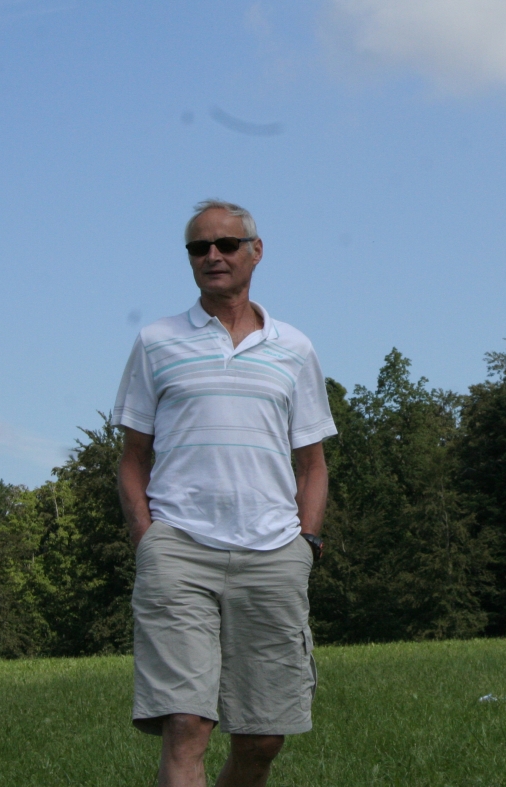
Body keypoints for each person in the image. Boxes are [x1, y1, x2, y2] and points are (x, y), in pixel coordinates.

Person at [113, 199, 337, 787]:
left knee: (262, 739)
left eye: (226, 244)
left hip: (273, 554)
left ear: (255, 252)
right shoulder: (156, 341)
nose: (212, 255)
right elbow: (132, 459)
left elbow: (312, 464)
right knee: (186, 723)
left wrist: (306, 543)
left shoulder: (295, 348)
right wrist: (148, 541)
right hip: (180, 551)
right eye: (198, 247)